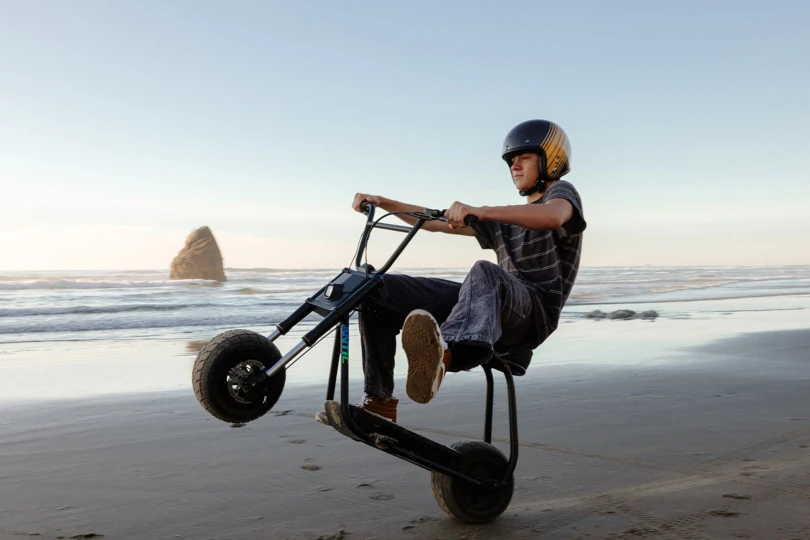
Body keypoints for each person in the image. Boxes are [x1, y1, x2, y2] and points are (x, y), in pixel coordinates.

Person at [317, 119, 586, 424]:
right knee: (376, 288)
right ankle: (379, 400)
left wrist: (481, 211)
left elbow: (554, 216)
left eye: (524, 158)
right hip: (492, 305)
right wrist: (383, 202)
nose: (515, 166)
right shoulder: (506, 219)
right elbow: (432, 222)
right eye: (511, 161)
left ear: (551, 160)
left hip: (532, 316)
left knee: (485, 271)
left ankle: (450, 351)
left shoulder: (562, 194)